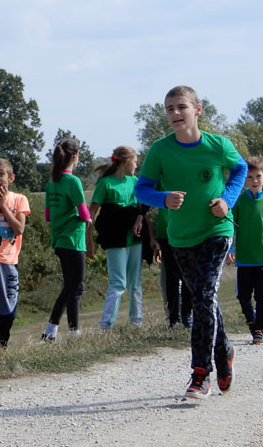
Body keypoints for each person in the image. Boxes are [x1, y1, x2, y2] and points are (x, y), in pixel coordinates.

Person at [135, 86, 247, 399]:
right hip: (180, 237)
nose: (175, 113)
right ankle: (223, 351)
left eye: (181, 107)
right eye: (169, 108)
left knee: (202, 295)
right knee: (202, 298)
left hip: (216, 230)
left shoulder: (218, 145)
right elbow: (141, 189)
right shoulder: (160, 150)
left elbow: (240, 169)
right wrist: (162, 198)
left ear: (197, 110)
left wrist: (227, 200)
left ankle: (201, 373)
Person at [87, 145, 147, 330]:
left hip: (134, 238)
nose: (136, 166)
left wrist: (140, 220)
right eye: (134, 162)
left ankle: (137, 323)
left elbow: (142, 207)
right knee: (118, 283)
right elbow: (92, 213)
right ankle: (106, 326)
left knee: (135, 283)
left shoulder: (134, 181)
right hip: (114, 239)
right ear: (126, 162)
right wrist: (89, 240)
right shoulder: (105, 183)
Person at [226, 156, 263, 345]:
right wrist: (230, 248)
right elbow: (232, 226)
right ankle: (250, 320)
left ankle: (259, 329)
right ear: (245, 179)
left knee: (261, 296)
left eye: (258, 176)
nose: (254, 181)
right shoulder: (239, 201)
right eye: (250, 177)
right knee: (243, 296)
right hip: (244, 258)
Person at [43, 138, 91, 341]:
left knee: (69, 286)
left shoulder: (51, 183)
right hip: (74, 239)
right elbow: (83, 213)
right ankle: (74, 332)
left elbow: (48, 216)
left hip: (59, 240)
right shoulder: (73, 181)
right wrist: (88, 219)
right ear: (75, 157)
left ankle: (50, 330)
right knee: (77, 287)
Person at [0, 158, 30, 355]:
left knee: (9, 309)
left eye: (1, 174)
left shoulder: (19, 200)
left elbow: (19, 229)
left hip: (9, 262)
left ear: (10, 178)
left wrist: (4, 206)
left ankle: (2, 344)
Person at [153, 206, 192, 329]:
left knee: (187, 276)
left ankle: (186, 315)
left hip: (187, 231)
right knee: (172, 278)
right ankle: (174, 319)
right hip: (167, 233)